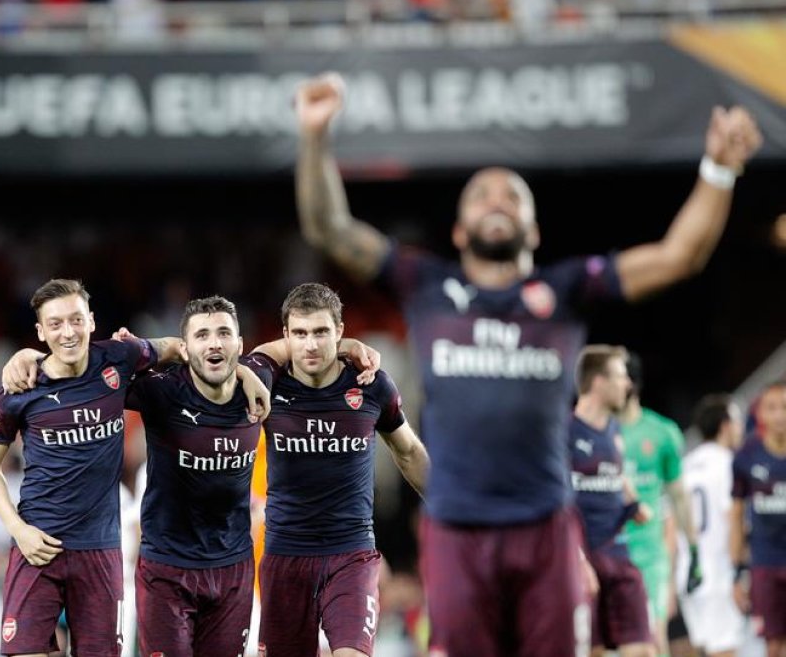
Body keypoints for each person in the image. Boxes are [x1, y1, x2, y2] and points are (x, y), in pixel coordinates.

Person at [292, 71, 763, 655]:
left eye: (512, 195)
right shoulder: (426, 285)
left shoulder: (565, 290)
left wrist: (719, 169)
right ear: (460, 230)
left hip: (545, 529)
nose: (497, 202)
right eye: (482, 195)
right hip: (456, 530)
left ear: (533, 229)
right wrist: (314, 137)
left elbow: (679, 255)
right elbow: (329, 228)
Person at [0, 279, 189, 656]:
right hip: (37, 547)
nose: (68, 332)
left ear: (91, 321)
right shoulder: (20, 384)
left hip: (100, 548)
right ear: (41, 332)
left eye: (76, 320)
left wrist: (245, 372)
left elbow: (176, 347)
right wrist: (18, 529)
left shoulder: (120, 357)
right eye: (55, 324)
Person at [252, 282, 429, 657]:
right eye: (299, 333)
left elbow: (409, 451)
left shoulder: (370, 385)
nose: (311, 344)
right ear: (285, 337)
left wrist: (452, 510)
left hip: (351, 554)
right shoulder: (268, 383)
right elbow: (236, 366)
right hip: (285, 556)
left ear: (341, 331)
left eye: (321, 332)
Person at [122, 296, 274, 657]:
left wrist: (351, 345)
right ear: (184, 348)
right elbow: (94, 371)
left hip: (232, 570)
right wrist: (28, 357)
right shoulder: (159, 390)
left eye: (224, 333)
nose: (214, 342)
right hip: (166, 569)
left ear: (240, 344)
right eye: (202, 335)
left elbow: (293, 347)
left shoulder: (261, 379)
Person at [571, 345, 655, 657]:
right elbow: (558, 503)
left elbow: (617, 475)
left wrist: (635, 505)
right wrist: (576, 559)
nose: (628, 384)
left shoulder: (613, 430)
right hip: (583, 558)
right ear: (598, 382)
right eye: (621, 376)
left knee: (644, 649)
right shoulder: (564, 432)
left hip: (618, 552)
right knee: (591, 651)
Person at [619, 353, 702, 655]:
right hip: (604, 556)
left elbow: (678, 498)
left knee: (652, 640)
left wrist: (693, 550)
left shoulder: (662, 433)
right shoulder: (588, 434)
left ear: (630, 382)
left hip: (650, 558)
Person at [676, 394, 745, 657]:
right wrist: (740, 570)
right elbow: (733, 518)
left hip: (690, 574)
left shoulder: (685, 465)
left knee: (704, 650)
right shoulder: (728, 465)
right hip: (719, 574)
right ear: (725, 425)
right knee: (725, 650)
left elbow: (672, 524)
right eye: (737, 421)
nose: (740, 428)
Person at [731, 382, 786, 657]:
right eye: (772, 408)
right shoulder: (746, 456)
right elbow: (736, 516)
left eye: (785, 408)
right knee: (773, 646)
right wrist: (737, 573)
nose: (780, 416)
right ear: (760, 414)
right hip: (765, 565)